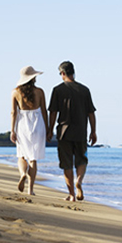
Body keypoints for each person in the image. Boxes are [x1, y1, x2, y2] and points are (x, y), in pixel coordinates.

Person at [47, 61, 97, 202]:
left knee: (66, 164)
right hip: (81, 132)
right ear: (73, 72)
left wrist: (50, 130)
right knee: (82, 160)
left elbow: (53, 113)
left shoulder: (58, 90)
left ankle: (71, 195)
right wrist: (93, 132)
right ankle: (79, 181)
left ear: (63, 73)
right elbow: (91, 113)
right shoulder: (84, 90)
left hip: (64, 132)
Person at [10, 66, 48, 196]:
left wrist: (12, 130)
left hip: (22, 125)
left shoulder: (15, 92)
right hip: (38, 124)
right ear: (33, 78)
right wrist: (48, 128)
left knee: (21, 155)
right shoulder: (40, 92)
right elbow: (44, 111)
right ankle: (30, 190)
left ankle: (22, 174)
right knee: (33, 158)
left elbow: (13, 113)